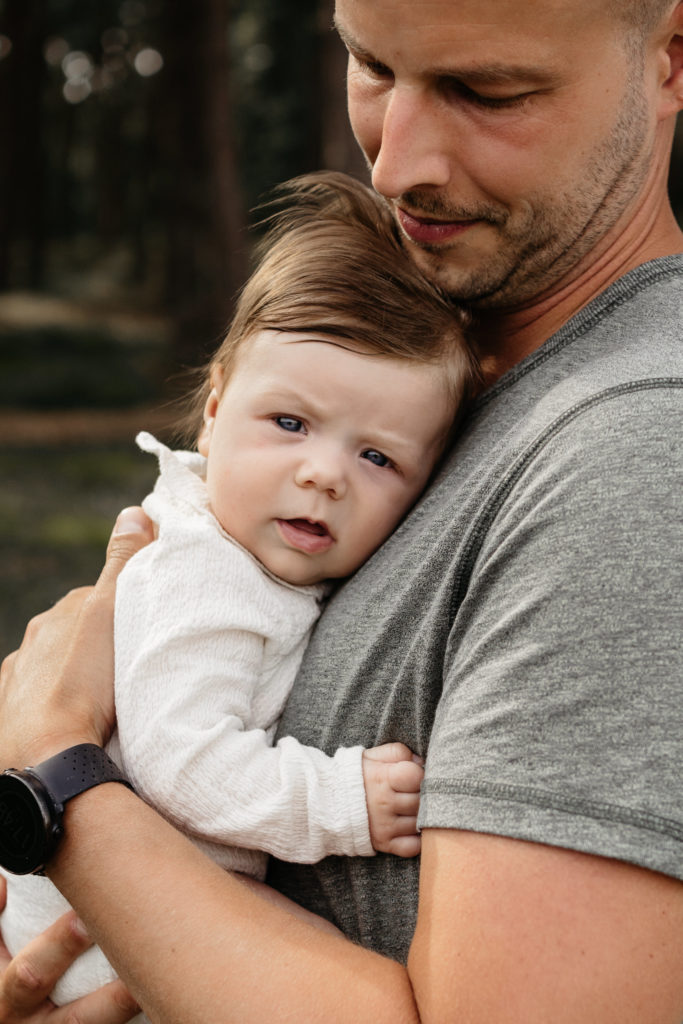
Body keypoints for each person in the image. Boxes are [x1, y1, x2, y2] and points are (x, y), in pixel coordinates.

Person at [0, 0, 682, 1020]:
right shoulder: (426, 377)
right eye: (366, 63)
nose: (395, 162)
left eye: (484, 92)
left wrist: (50, 776)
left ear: (668, 59)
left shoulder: (635, 454)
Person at [0, 171, 474, 1018]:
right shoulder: (203, 573)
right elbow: (185, 764)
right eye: (289, 423)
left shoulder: (241, 551)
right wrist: (339, 801)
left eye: (378, 458)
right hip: (100, 949)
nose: (322, 473)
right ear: (214, 412)